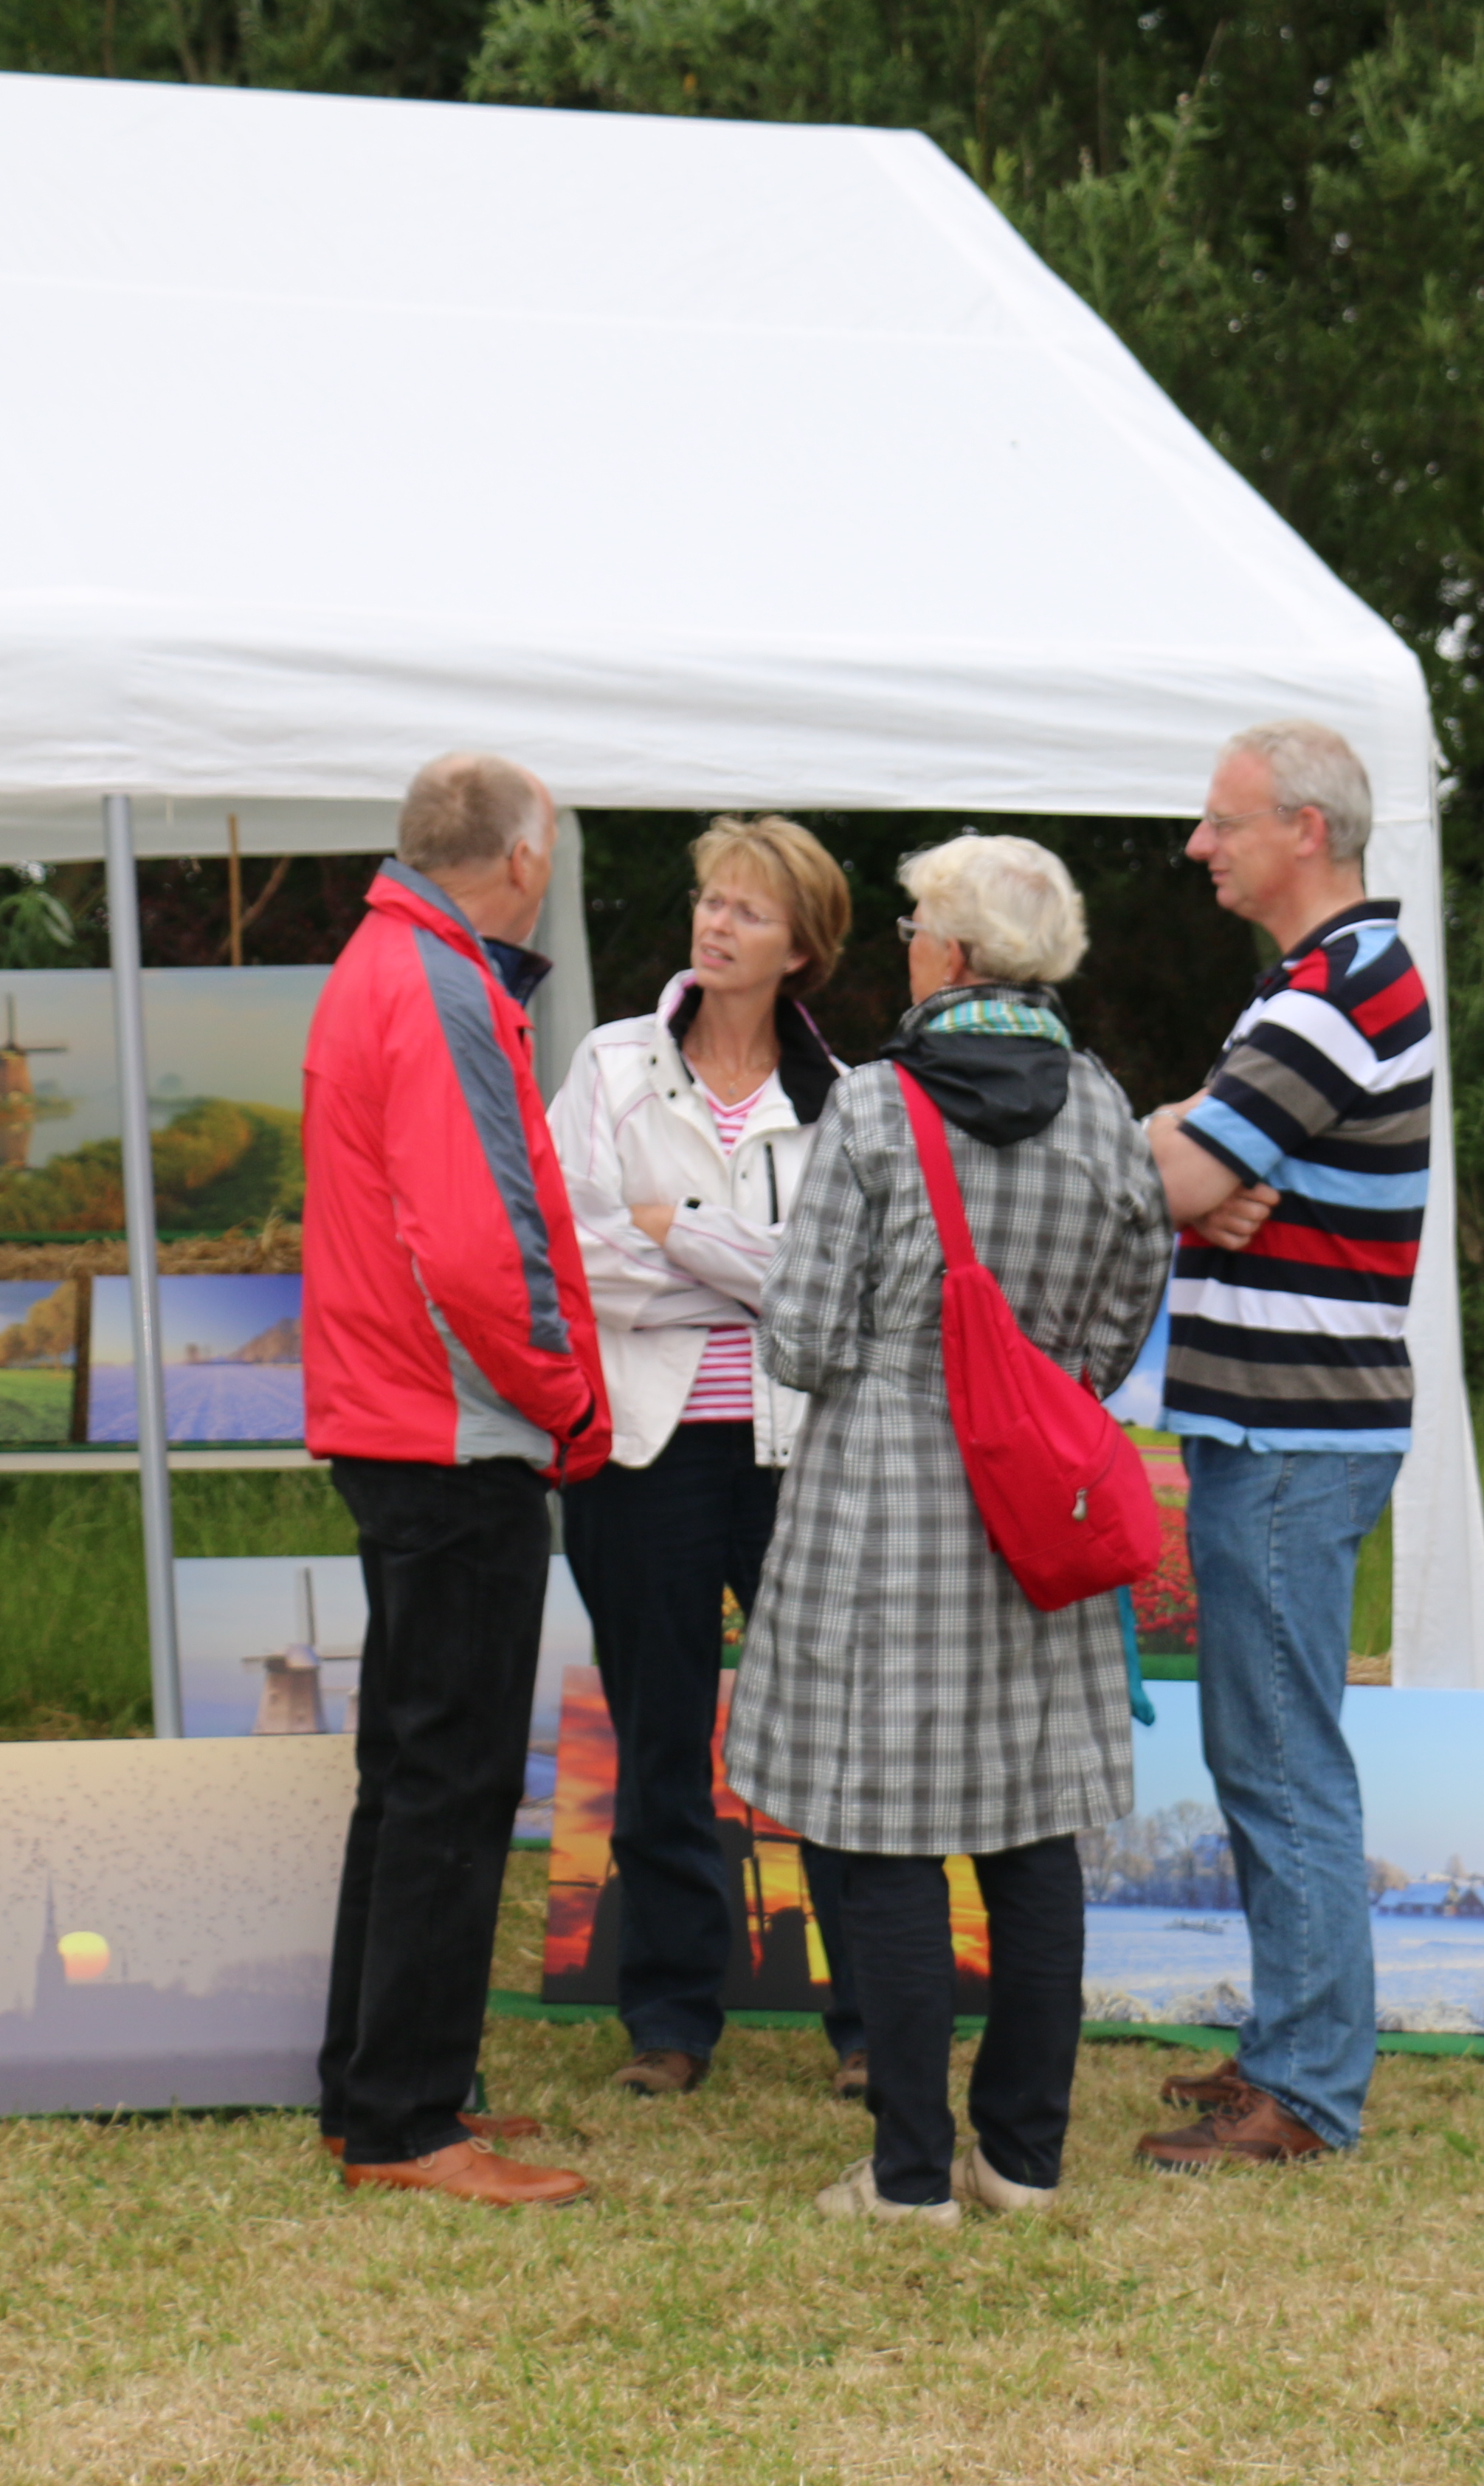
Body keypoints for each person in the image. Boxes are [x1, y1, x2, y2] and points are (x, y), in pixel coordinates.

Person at [726, 833, 1171, 2225]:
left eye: (917, 920)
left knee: (882, 1838)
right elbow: (1131, 1294)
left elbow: (796, 1336)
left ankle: (909, 2174)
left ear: (958, 955)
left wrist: (893, 1357)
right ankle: (1023, 2161)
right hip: (1034, 1507)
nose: (906, 937)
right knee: (1035, 1833)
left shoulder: (870, 1109)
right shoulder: (1102, 1108)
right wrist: (1038, 1386)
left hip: (884, 1502)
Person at [302, 750, 610, 2211]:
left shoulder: (387, 960)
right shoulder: (437, 983)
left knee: (409, 1772)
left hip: (398, 1415)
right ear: (524, 861)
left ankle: (369, 2093)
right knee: (452, 1778)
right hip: (454, 1423)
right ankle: (411, 2123)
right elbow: (484, 1245)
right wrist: (568, 1399)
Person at [1134, 720, 1438, 2175]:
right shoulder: (1327, 986)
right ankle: (1290, 2049)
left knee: (1281, 1759)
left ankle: (1309, 2089)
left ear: (1307, 831)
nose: (1201, 846)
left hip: (1290, 1426)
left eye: (1224, 822)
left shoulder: (1329, 994)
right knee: (1263, 1748)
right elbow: (1195, 1177)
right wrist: (1184, 1148)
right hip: (1289, 1422)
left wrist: (1175, 1147)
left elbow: (1191, 1179)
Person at [548, 813, 866, 2101]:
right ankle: (670, 2018)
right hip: (644, 1455)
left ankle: (867, 2021)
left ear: (803, 947)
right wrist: (745, 1274)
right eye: (706, 900)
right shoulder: (612, 1065)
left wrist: (674, 1228)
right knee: (660, 1736)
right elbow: (582, 1259)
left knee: (832, 1739)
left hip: (799, 1456)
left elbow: (836, 1290)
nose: (712, 922)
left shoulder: (847, 1097)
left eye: (746, 908)